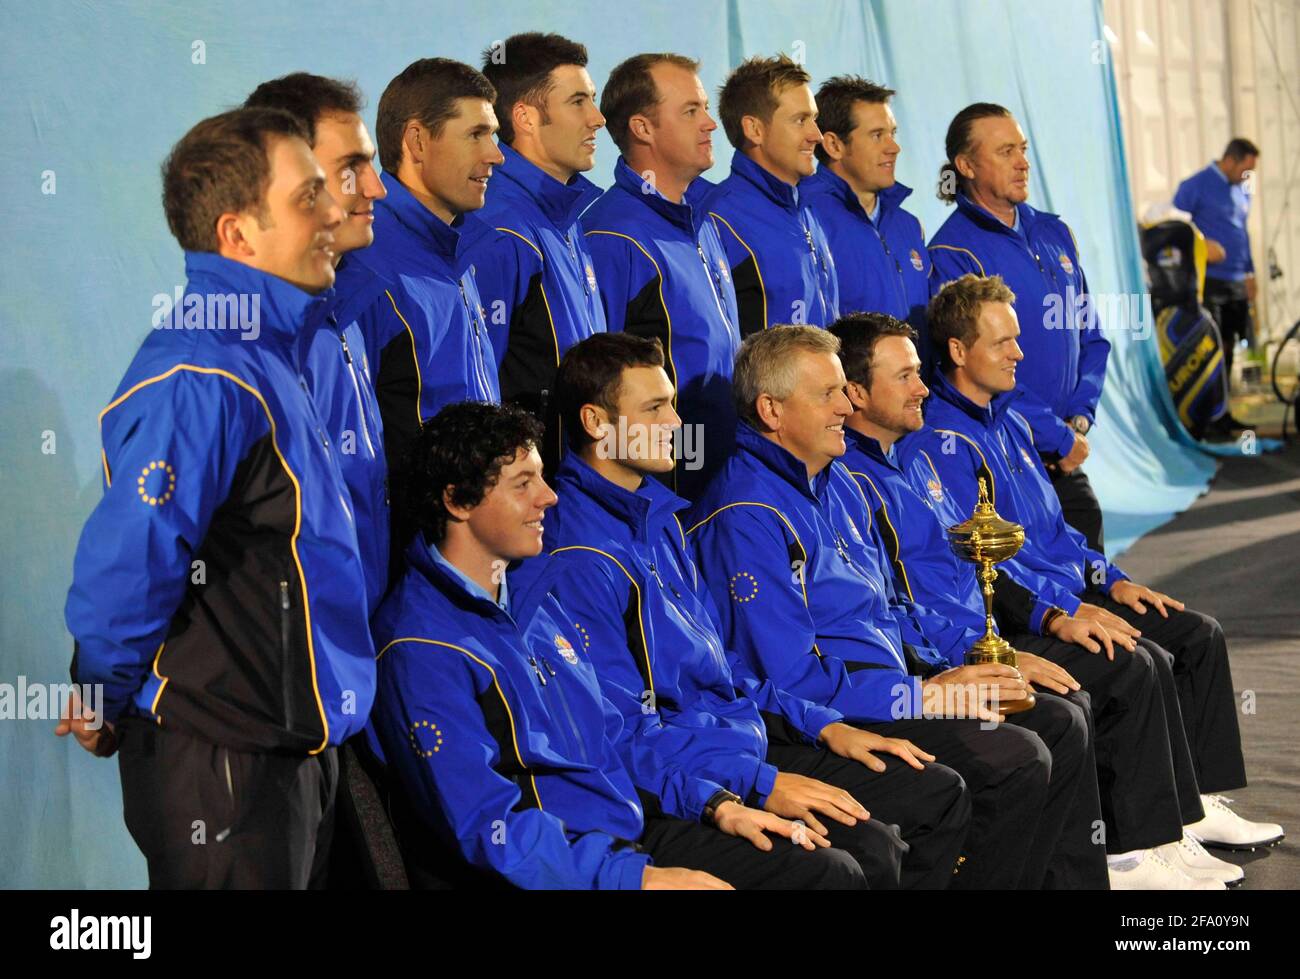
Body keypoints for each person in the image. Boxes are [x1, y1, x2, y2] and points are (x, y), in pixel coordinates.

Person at [513, 332, 970, 888]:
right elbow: (622, 734)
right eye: (654, 408)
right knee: (859, 856)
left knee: (925, 799)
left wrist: (821, 726)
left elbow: (730, 674)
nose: (678, 426)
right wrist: (749, 786)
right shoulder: (576, 556)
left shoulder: (658, 519)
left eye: (674, 404)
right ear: (595, 421)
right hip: (693, 780)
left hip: (745, 745)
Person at [59, 108, 375, 888]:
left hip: (290, 750)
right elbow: (127, 568)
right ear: (238, 235)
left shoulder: (269, 353)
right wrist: (99, 694)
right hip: (224, 763)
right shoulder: (204, 375)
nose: (336, 210)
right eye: (309, 197)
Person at [368, 400, 868, 889]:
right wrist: (634, 877)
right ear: (458, 501)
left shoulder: (533, 598)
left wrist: (715, 803)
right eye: (523, 484)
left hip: (624, 835)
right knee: (828, 873)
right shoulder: (422, 648)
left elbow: (616, 739)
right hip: (573, 865)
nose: (549, 497)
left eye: (542, 477)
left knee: (839, 856)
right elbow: (487, 829)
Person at [831, 309, 1243, 888]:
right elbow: (904, 605)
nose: (921, 387)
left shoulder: (921, 454)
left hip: (991, 628)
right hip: (946, 656)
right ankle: (1123, 851)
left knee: (1163, 645)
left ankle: (1167, 826)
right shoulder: (873, 472)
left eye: (919, 374)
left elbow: (1024, 546)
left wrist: (1100, 581)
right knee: (1103, 683)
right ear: (854, 392)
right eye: (904, 376)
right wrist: (995, 648)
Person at [689, 326, 1094, 889]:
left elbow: (897, 606)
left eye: (844, 389)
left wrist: (961, 663)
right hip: (836, 714)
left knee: (1055, 713)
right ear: (771, 410)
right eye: (827, 394)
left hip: (893, 686)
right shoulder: (745, 515)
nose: (845, 404)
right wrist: (923, 693)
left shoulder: (835, 480)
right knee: (1014, 758)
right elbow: (791, 681)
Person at [913, 274, 1284, 856]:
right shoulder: (938, 442)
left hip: (1071, 592)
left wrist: (1110, 579)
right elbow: (985, 568)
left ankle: (1195, 810)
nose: (1021, 352)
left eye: (1018, 338)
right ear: (958, 351)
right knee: (1138, 663)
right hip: (1032, 611)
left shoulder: (1009, 421)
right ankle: (1139, 848)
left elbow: (1059, 535)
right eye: (1004, 342)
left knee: (1195, 634)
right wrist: (1060, 611)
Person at [928, 103, 1107, 552]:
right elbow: (970, 370)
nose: (1023, 161)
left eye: (1022, 149)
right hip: (1006, 462)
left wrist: (1079, 421)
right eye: (1006, 151)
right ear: (966, 166)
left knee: (1097, 595)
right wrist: (1056, 435)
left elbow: (1091, 335)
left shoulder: (1054, 233)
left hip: (1067, 456)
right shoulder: (952, 253)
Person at [244, 72, 392, 616]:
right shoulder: (241, 342)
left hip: (343, 660)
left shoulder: (344, 313)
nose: (375, 188)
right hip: (277, 681)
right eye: (351, 169)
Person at [583, 53, 743, 498]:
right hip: (665, 492)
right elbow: (597, 389)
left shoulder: (704, 222)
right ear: (643, 128)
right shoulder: (612, 236)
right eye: (691, 111)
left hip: (724, 476)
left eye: (706, 108)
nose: (710, 124)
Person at [349, 58, 504, 483]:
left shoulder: (459, 248)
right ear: (416, 141)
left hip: (470, 535)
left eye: (493, 135)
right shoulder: (365, 259)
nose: (496, 155)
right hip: (410, 541)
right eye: (476, 135)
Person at [472, 33, 608, 471]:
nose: (598, 118)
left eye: (593, 100)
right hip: (536, 494)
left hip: (575, 485)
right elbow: (481, 389)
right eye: (578, 102)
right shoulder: (500, 226)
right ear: (526, 118)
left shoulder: (565, 216)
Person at [803, 76, 933, 372]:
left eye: (893, 133)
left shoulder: (909, 226)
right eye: (877, 135)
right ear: (834, 144)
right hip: (845, 409)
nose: (894, 147)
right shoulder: (805, 216)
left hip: (914, 404)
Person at [706, 55, 839, 333]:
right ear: (754, 129)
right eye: (800, 120)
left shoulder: (806, 209)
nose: (816, 135)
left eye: (814, 119)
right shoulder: (716, 218)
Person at [1174, 138, 1260, 435]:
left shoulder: (1241, 190)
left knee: (1230, 345)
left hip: (1237, 280)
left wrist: (1250, 273)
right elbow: (1175, 225)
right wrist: (1201, 244)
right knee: (1211, 348)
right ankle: (1203, 417)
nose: (1248, 177)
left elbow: (1242, 231)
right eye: (1246, 169)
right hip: (1210, 282)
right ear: (1231, 160)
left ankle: (1223, 414)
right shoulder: (1196, 185)